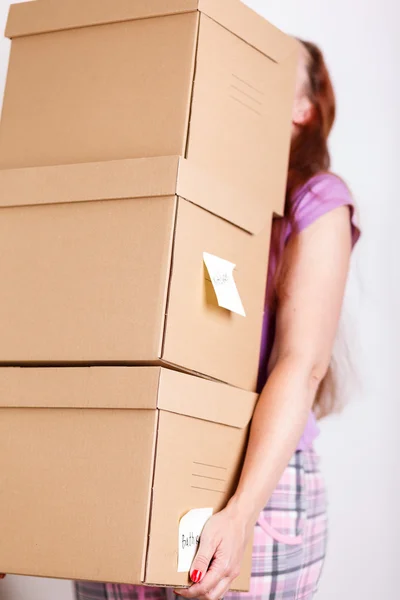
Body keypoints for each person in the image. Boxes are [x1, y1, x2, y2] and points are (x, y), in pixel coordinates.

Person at [75, 39, 360, 600]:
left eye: (275, 67)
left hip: (256, 485)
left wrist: (239, 514)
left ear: (305, 107)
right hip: (132, 471)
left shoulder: (317, 198)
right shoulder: (181, 190)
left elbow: (302, 362)